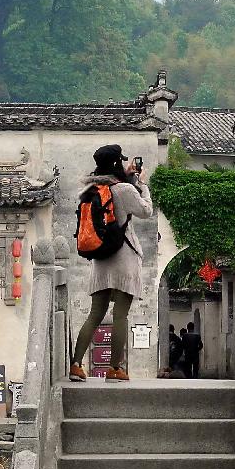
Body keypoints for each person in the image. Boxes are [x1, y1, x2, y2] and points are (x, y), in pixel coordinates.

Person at [69, 144, 152, 383]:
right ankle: (115, 368)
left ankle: (76, 365)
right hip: (124, 258)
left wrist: (128, 177)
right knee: (120, 315)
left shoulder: (89, 190)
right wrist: (142, 185)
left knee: (95, 314)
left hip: (100, 260)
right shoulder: (126, 190)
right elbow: (146, 210)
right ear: (117, 164)